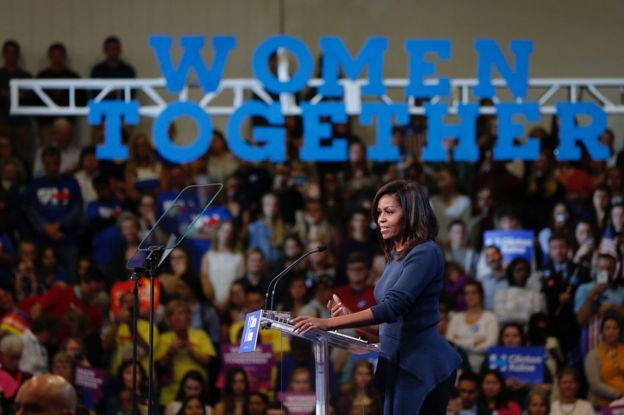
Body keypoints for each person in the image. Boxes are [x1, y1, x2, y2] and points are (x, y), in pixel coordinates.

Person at [292, 180, 461, 414]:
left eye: (389, 212)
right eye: (379, 212)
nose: (380, 219)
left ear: (411, 213)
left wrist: (327, 323)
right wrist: (349, 317)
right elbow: (392, 327)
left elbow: (392, 308)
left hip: (422, 365)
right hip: (397, 362)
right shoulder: (395, 255)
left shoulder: (426, 252)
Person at [446, 280, 499, 373]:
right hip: (459, 367)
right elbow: (449, 345)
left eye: (473, 292)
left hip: (484, 367)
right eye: (466, 293)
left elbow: (490, 346)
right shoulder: (456, 318)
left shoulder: (491, 318)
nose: (470, 296)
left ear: (481, 295)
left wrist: (459, 341)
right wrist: (474, 342)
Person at [584, 316, 624, 408]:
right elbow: (594, 384)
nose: (611, 331)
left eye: (615, 328)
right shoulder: (593, 355)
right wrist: (618, 395)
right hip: (602, 405)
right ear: (602, 332)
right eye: (608, 328)